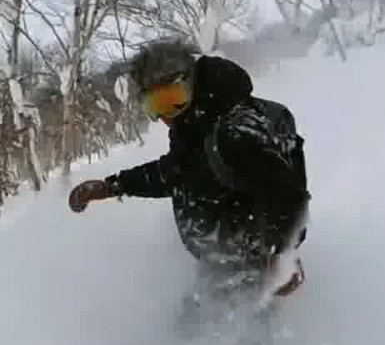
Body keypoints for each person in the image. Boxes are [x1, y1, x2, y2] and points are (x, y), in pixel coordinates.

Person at [68, 39, 310, 301]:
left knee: (237, 339)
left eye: (173, 98)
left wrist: (282, 253)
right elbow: (177, 172)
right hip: (218, 265)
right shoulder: (195, 125)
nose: (166, 115)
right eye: (155, 104)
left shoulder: (237, 130)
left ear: (191, 83)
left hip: (256, 268)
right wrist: (115, 185)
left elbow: (284, 192)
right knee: (190, 334)